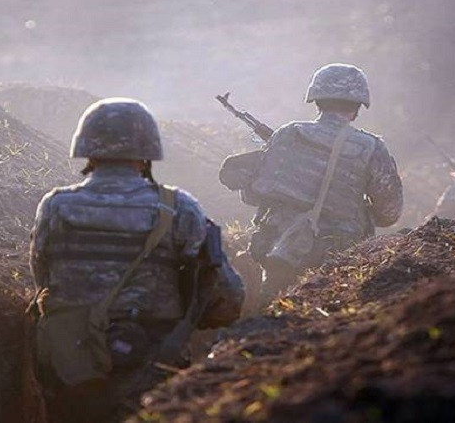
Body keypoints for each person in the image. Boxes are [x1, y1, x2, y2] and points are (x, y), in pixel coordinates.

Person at [28, 97, 244, 421]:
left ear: (87, 149)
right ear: (146, 152)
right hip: (152, 360)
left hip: (71, 362)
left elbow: (42, 275)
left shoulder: (55, 206)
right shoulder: (179, 207)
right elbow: (227, 294)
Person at [220, 63, 403, 303]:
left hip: (281, 249)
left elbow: (254, 195)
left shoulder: (287, 134)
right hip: (338, 260)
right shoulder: (371, 147)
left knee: (269, 310)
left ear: (316, 99)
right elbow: (389, 213)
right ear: (358, 105)